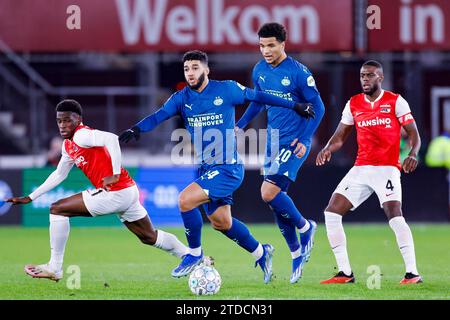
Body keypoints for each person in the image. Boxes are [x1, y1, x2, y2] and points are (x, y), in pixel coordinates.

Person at [119, 50, 315, 283]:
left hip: (227, 168)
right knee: (222, 222)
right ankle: (262, 253)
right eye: (186, 69)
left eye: (194, 68)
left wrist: (295, 106)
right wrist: (136, 129)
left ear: (206, 70)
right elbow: (159, 115)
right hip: (206, 168)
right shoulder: (182, 98)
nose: (190, 73)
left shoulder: (227, 89)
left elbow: (259, 97)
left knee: (184, 200)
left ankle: (194, 254)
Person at [6, 99, 190, 281]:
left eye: (67, 120)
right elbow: (59, 174)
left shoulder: (81, 135)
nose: (62, 125)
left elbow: (111, 139)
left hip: (116, 191)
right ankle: (192, 256)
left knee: (57, 209)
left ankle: (55, 267)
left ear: (78, 120)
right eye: (59, 121)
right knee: (150, 236)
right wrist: (31, 197)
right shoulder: (68, 145)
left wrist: (115, 173)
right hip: (127, 191)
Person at [316, 60, 422, 284]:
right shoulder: (353, 103)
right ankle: (345, 273)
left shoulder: (395, 101)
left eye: (370, 75)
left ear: (380, 77)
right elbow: (340, 136)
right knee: (331, 212)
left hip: (387, 169)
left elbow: (414, 134)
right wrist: (327, 149)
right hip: (361, 168)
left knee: (394, 214)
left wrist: (413, 153)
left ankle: (412, 273)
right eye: (363, 75)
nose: (365, 79)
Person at [235, 23, 325, 284]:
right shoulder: (259, 70)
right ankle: (296, 252)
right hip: (273, 142)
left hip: (295, 141)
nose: (266, 50)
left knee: (268, 192)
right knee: (276, 200)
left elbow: (317, 107)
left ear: (283, 44)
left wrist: (305, 138)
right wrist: (240, 125)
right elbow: (259, 101)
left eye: (271, 45)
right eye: (262, 45)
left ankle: (306, 227)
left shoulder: (299, 73)